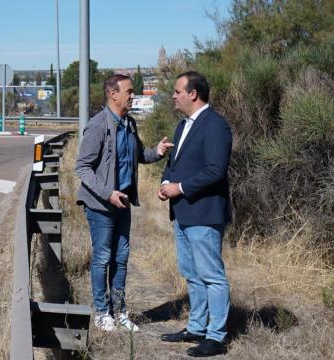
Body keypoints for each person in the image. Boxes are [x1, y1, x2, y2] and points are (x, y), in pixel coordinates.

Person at [76, 73, 174, 332]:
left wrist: (158, 152)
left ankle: (120, 312)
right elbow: (83, 167)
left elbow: (139, 154)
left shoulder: (129, 124)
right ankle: (101, 312)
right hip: (100, 205)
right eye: (129, 91)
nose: (133, 96)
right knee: (102, 257)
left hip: (124, 203)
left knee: (121, 257)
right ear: (113, 94)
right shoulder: (98, 125)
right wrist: (108, 193)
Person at [158, 71, 233, 357]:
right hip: (183, 213)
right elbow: (175, 164)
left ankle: (216, 337)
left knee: (212, 276)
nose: (173, 96)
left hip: (204, 213)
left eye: (178, 91)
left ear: (193, 93)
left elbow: (216, 170)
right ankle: (197, 326)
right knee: (191, 273)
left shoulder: (216, 126)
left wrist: (181, 187)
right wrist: (166, 183)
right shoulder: (182, 125)